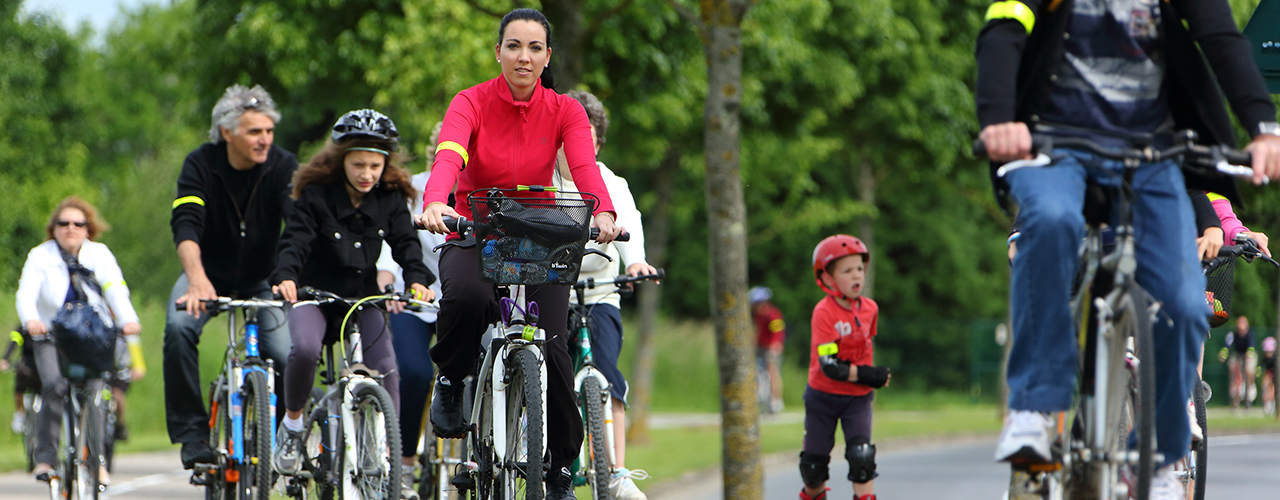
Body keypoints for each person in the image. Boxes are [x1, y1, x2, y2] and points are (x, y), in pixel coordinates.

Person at [976, 0, 1280, 495]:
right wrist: (996, 117)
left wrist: (1263, 127)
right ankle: (1034, 407)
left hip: (1154, 156)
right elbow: (1004, 28)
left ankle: (1160, 458)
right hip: (1057, 146)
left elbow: (1221, 38)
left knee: (1185, 302)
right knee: (1049, 222)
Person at [415, 8, 622, 500]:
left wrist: (605, 214)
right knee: (465, 297)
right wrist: (436, 201)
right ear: (498, 52)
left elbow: (584, 167)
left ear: (548, 56)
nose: (523, 57)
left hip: (542, 232)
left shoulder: (565, 111)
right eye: (514, 46)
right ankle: (451, 378)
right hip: (477, 225)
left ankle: (559, 474)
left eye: (534, 48)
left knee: (554, 351)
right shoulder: (470, 102)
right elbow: (449, 155)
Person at [268, 110, 435, 487]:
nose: (367, 174)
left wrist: (418, 279)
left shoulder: (390, 200)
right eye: (358, 164)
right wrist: (287, 277)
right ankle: (293, 427)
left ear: (385, 164)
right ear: (339, 160)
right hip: (313, 294)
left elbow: (407, 245)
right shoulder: (314, 196)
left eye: (375, 165)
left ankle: (387, 456)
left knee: (388, 367)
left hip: (363, 299)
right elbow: (293, 242)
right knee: (306, 349)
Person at [165, 84, 298, 469]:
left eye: (269, 131)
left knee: (287, 353)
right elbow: (185, 223)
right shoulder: (200, 164)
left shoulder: (282, 164)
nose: (265, 140)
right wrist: (196, 277)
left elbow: (297, 225)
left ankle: (275, 438)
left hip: (264, 278)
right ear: (227, 132)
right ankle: (192, 434)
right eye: (255, 131)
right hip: (206, 274)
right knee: (178, 330)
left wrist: (288, 273)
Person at [551, 89, 657, 500]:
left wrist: (635, 262)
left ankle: (616, 471)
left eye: (590, 136)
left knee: (609, 375)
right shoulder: (543, 178)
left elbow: (628, 220)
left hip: (599, 292)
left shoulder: (611, 181)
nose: (582, 143)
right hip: (552, 287)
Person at [16, 196, 142, 484]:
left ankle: (97, 462)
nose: (70, 228)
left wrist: (128, 320)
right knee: (54, 386)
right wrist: (31, 320)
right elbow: (26, 292)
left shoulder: (100, 254)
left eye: (78, 223)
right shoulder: (40, 255)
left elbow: (115, 289)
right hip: (50, 335)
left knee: (97, 394)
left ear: (88, 229)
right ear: (54, 228)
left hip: (91, 337)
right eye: (63, 223)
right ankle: (45, 458)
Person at [375, 121, 447, 500]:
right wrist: (387, 284)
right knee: (416, 373)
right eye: (440, 150)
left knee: (472, 373)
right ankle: (403, 464)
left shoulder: (484, 191)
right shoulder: (414, 189)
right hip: (413, 298)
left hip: (459, 300)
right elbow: (391, 244)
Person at [799, 235, 889, 500]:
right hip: (822, 397)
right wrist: (868, 375)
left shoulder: (870, 309)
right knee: (813, 468)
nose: (856, 276)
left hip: (857, 400)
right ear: (827, 278)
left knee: (862, 459)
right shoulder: (823, 313)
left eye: (860, 269)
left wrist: (868, 376)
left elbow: (864, 346)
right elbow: (830, 366)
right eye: (847, 271)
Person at [750, 286, 787, 414]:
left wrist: (776, 345)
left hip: (771, 348)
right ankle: (758, 400)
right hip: (760, 347)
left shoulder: (773, 314)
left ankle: (776, 400)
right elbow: (758, 332)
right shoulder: (758, 316)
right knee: (757, 372)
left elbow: (778, 331)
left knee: (772, 371)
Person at [2, 325, 38, 437]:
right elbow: (13, 342)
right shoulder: (22, 328)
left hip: (43, 364)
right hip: (27, 363)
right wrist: (5, 359)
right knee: (19, 384)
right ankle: (20, 413)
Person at [1219, 314, 1258, 409]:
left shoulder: (1250, 335)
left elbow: (1251, 347)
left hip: (1248, 355)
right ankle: (1234, 393)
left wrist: (1249, 353)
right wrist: (1224, 353)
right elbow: (1228, 345)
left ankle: (1250, 389)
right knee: (1232, 368)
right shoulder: (1233, 334)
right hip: (1237, 354)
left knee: (1248, 370)